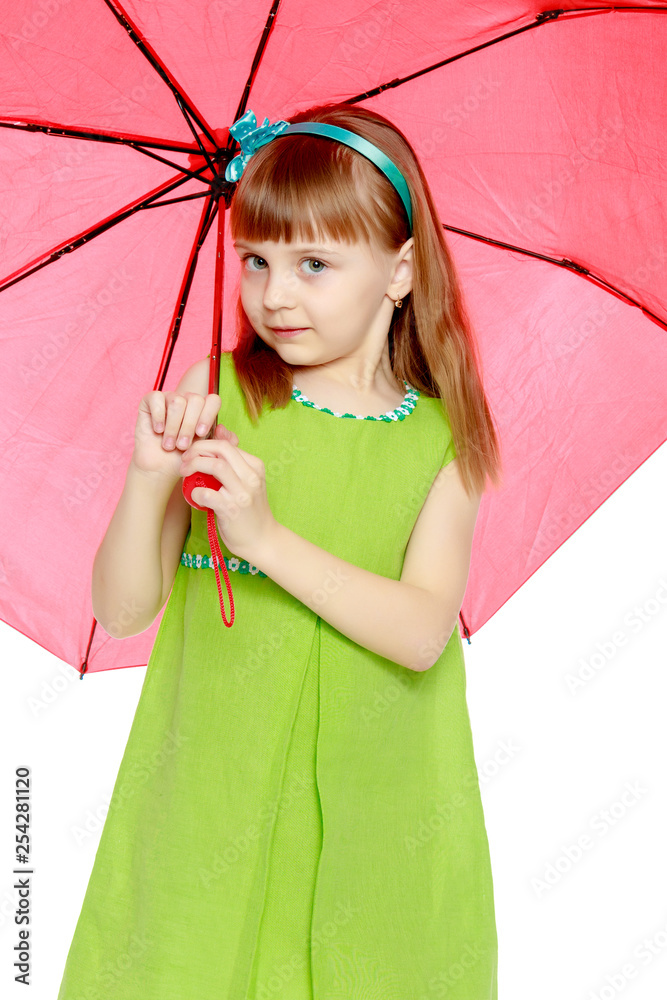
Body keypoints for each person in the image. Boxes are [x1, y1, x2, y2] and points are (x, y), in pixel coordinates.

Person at [57, 102, 502, 1000]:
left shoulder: (442, 440)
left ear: (400, 271)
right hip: (209, 801)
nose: (275, 295)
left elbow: (422, 632)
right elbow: (122, 610)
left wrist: (262, 538)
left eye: (313, 265)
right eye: (255, 259)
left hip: (382, 808)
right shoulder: (216, 395)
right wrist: (148, 478)